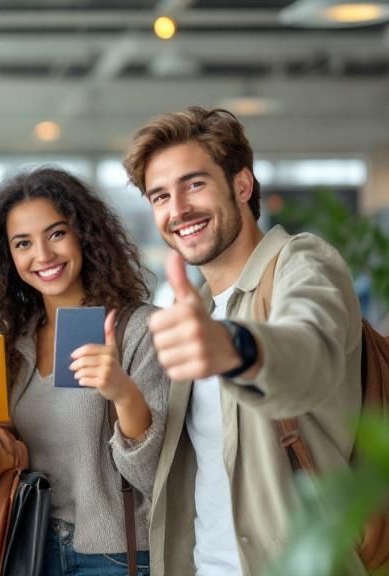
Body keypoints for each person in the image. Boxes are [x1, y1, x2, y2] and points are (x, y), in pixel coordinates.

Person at [122, 106, 364, 575]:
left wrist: (238, 348)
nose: (178, 210)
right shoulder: (192, 308)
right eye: (159, 196)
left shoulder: (301, 263)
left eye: (194, 184)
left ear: (241, 185)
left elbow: (310, 350)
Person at [0, 167, 168, 576]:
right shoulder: (14, 345)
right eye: (23, 243)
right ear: (9, 257)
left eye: (56, 233)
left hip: (113, 555)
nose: (43, 255)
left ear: (85, 235)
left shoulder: (139, 330)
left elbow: (157, 477)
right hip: (30, 550)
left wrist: (123, 394)